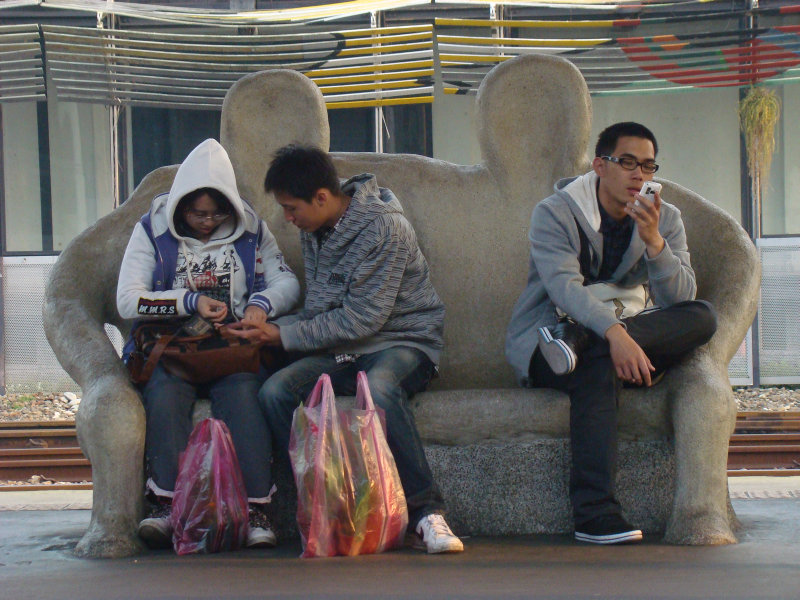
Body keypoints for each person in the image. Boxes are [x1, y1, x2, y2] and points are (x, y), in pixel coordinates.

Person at [227, 144, 464, 554]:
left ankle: (428, 514)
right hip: (346, 348)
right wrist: (268, 327)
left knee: (381, 389)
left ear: (322, 197)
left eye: (290, 207)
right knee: (274, 392)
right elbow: (321, 310)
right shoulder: (315, 230)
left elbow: (362, 319)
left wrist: (281, 336)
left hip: (404, 340)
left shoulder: (384, 229)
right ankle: (329, 500)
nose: (287, 218)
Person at [505, 122, 717, 545]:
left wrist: (655, 242)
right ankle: (595, 515)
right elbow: (563, 286)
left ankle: (587, 342)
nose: (640, 175)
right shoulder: (556, 212)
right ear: (600, 165)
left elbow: (680, 298)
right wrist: (616, 334)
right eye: (628, 163)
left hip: (594, 342)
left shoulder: (665, 218)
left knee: (703, 316)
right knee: (600, 364)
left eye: (649, 166)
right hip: (547, 343)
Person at [117, 138, 300, 549]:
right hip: (172, 347)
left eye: (218, 213)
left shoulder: (252, 230)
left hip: (230, 346)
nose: (208, 221)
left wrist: (260, 305)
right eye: (198, 213)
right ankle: (164, 502)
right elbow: (128, 299)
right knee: (164, 394)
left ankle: (256, 507)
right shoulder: (152, 230)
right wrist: (190, 301)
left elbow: (286, 281)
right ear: (181, 206)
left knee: (243, 395)